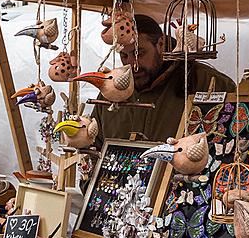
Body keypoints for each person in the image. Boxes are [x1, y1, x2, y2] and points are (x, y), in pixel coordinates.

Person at [92, 13, 235, 145]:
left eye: (139, 53)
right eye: (124, 56)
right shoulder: (110, 91)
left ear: (160, 45)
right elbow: (94, 146)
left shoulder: (206, 81)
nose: (131, 65)